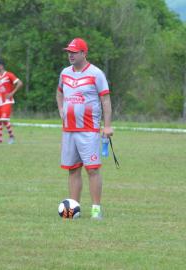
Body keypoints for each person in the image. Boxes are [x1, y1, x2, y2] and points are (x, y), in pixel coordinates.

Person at [56, 38, 113, 220]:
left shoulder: (96, 73)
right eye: (69, 52)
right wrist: (61, 110)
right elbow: (59, 92)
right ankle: (73, 208)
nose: (70, 55)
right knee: (73, 169)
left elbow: (105, 100)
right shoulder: (65, 73)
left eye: (74, 52)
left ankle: (96, 208)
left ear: (83, 53)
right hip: (69, 130)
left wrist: (107, 125)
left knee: (92, 169)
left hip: (89, 129)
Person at [0, 60, 23, 144]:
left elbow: (20, 83)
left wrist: (12, 93)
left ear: (1, 66)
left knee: (4, 119)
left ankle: (11, 136)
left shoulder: (9, 75)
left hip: (7, 101)